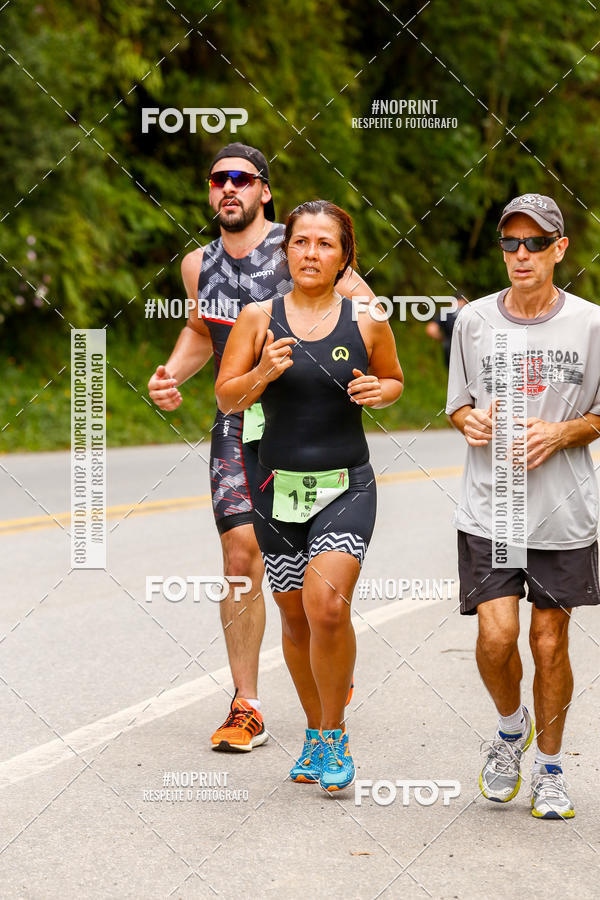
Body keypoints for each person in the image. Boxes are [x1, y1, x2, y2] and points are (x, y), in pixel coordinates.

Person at [148, 144, 374, 751]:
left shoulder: (300, 244)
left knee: (306, 592)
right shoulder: (198, 264)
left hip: (301, 422)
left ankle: (328, 657)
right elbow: (202, 329)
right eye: (218, 179)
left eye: (241, 179)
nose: (229, 188)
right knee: (238, 554)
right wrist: (171, 374)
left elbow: (363, 310)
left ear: (264, 191)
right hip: (237, 417)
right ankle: (246, 705)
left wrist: (354, 376)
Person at [215, 200, 403, 792]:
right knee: (295, 617)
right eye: (300, 242)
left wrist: (381, 392)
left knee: (326, 607)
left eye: (325, 243)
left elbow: (395, 380)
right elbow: (227, 398)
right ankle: (316, 733)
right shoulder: (257, 319)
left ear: (344, 256)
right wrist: (262, 373)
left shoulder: (367, 317)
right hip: (277, 489)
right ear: (286, 250)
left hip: (346, 484)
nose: (311, 253)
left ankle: (336, 733)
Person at [447, 193, 600, 819]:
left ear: (559, 249)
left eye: (535, 243)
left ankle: (551, 769)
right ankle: (512, 728)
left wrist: (562, 433)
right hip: (492, 509)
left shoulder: (591, 324)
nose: (521, 254)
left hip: (563, 511)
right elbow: (458, 405)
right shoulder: (473, 321)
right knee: (496, 635)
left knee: (548, 642)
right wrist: (469, 421)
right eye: (510, 243)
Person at [425, 293, 468, 368]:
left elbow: (431, 330)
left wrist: (442, 338)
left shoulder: (445, 313)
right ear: (464, 301)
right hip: (468, 351)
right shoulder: (469, 313)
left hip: (450, 351)